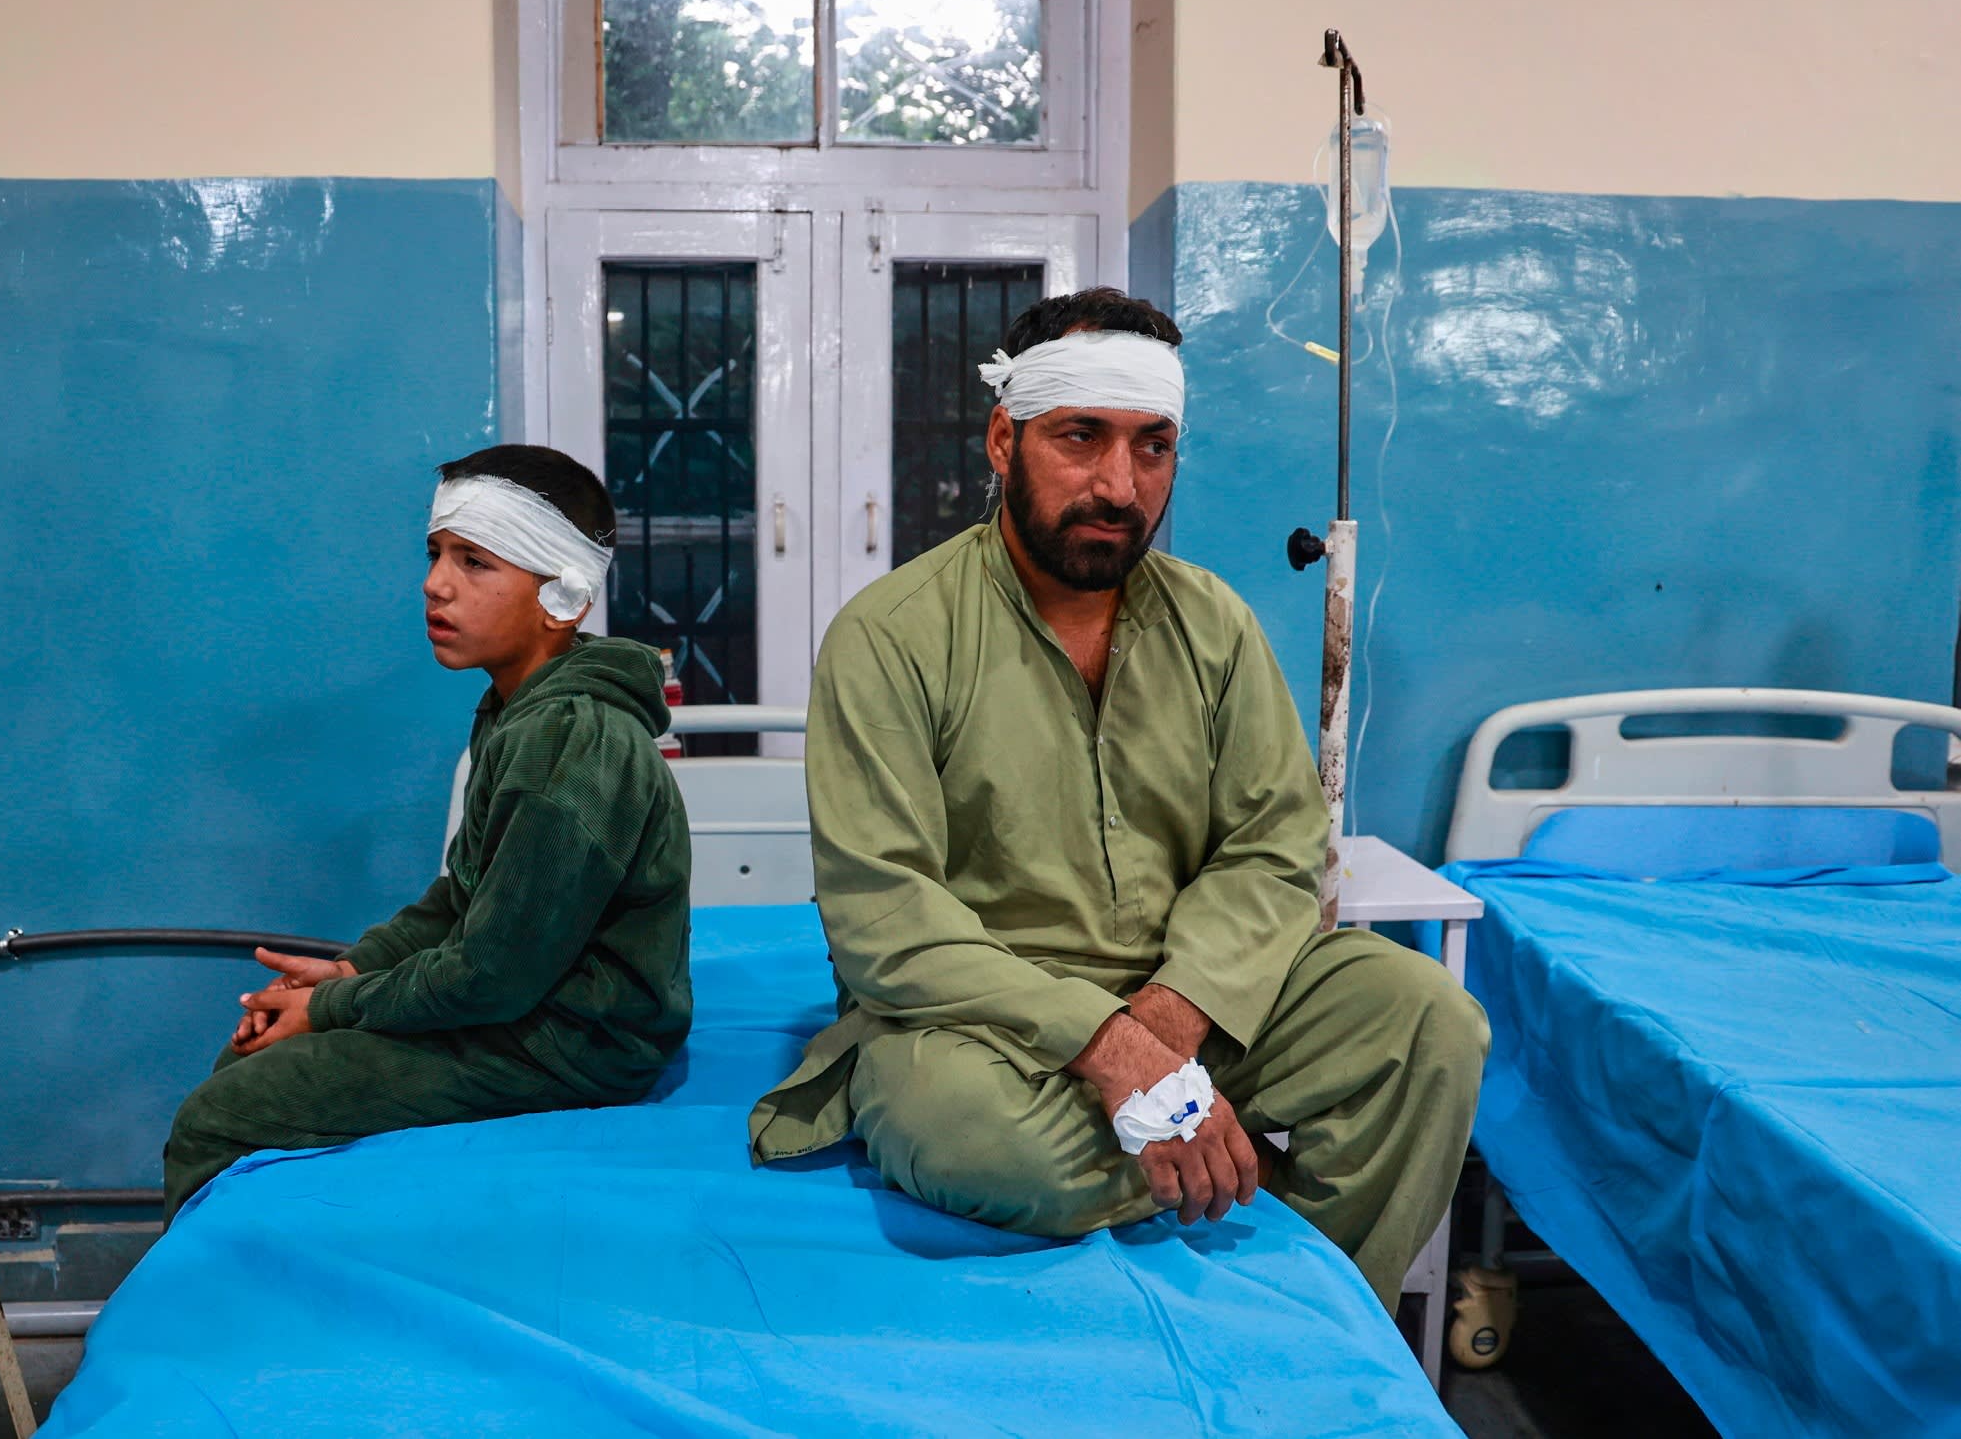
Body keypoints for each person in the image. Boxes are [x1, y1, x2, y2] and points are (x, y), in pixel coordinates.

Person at [748, 289, 1487, 1307]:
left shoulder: (1214, 626)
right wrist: (1106, 1044)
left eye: (1153, 447)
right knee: (980, 1142)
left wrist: (1171, 1019)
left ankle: (1315, 1317)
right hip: (983, 1025)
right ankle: (1248, 1185)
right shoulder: (892, 638)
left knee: (1429, 1023)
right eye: (1080, 437)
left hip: (1191, 992)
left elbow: (1275, 844)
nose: (1118, 483)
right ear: (1005, 440)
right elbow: (888, 918)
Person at [163, 445, 692, 1220]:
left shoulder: (569, 740)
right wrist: (347, 974)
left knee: (222, 1114)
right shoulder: (519, 710)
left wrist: (335, 1011)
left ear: (565, 595)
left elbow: (494, 976)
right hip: (527, 1012)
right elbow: (463, 898)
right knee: (248, 1052)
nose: (433, 583)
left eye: (474, 562)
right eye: (436, 554)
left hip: (574, 1044)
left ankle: (215, 1331)